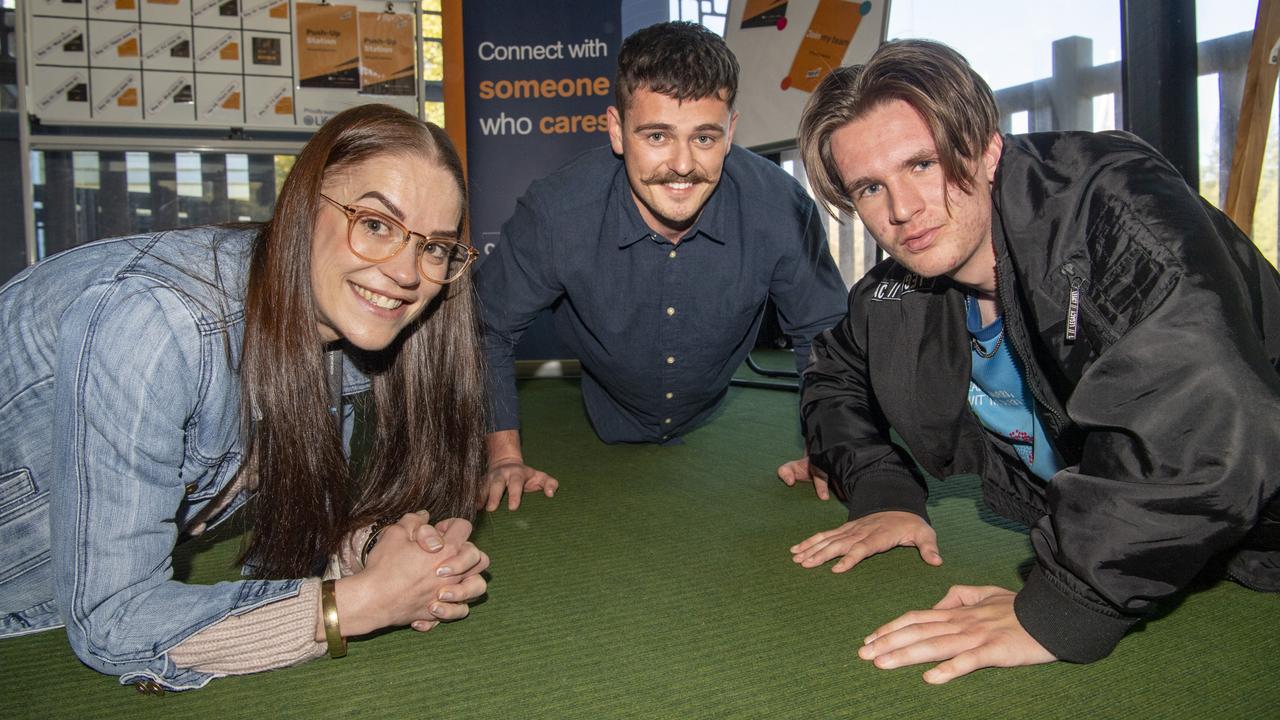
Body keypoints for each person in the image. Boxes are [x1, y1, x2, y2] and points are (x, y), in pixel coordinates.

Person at [791, 39, 1280, 683]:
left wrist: (1063, 606)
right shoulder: (896, 292)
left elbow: (1207, 416)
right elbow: (833, 376)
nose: (902, 209)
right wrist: (882, 486)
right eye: (870, 187)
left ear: (987, 147)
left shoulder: (1111, 208)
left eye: (923, 164)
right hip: (1162, 545)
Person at [0, 104, 492, 691]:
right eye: (377, 224)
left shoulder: (334, 328)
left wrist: (378, 549)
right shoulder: (156, 327)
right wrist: (355, 605)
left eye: (434, 247)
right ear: (301, 209)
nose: (408, 272)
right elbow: (113, 621)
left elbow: (293, 495)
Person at [475, 21, 847, 510]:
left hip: (712, 412)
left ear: (731, 132)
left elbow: (821, 329)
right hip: (604, 415)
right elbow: (486, 327)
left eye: (705, 138)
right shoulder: (556, 214)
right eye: (657, 135)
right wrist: (503, 455)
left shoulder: (779, 207)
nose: (682, 164)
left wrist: (828, 445)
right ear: (616, 130)